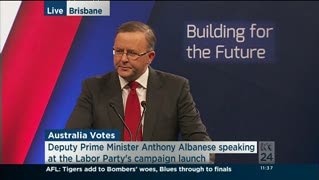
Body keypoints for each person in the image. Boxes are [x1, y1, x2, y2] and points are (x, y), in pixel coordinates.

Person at [66, 21, 212, 142]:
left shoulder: (175, 88)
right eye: (118, 51)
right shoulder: (94, 88)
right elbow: (72, 140)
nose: (123, 59)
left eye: (132, 53)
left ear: (150, 57)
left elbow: (199, 142)